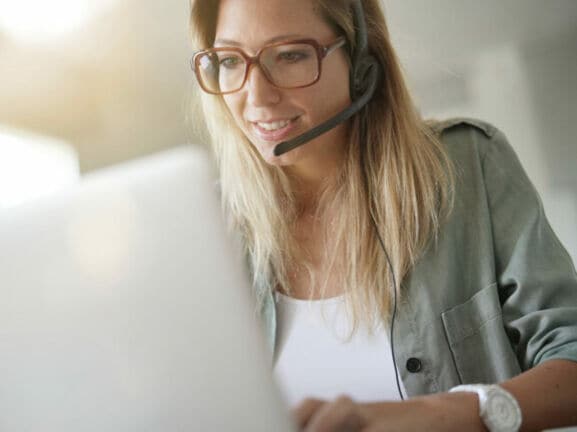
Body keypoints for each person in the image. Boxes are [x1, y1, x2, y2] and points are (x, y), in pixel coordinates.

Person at [189, 0, 577, 430]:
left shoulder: (468, 165)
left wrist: (444, 412)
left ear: (360, 59)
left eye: (291, 55)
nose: (256, 95)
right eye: (228, 60)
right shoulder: (206, 235)